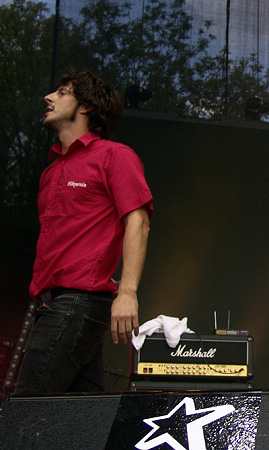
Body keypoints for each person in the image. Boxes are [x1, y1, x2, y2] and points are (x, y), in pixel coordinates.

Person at [14, 69, 153, 394]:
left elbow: (139, 221)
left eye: (62, 92)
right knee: (79, 419)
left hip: (77, 303)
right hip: (54, 304)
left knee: (23, 415)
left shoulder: (114, 156)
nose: (49, 97)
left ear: (86, 107)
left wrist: (128, 292)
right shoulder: (51, 171)